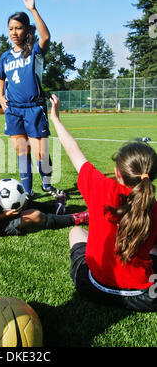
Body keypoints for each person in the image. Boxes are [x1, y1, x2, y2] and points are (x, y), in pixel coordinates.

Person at [49, 94, 157, 311]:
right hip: (145, 297)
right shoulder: (153, 207)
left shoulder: (101, 188)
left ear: (117, 172)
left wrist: (55, 118)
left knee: (76, 233)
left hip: (92, 286)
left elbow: (73, 150)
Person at [0, 0, 63, 200]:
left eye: (18, 28)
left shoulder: (34, 50)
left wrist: (33, 9)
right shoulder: (5, 57)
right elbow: (0, 78)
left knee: (40, 153)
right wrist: (0, 97)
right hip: (13, 110)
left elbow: (46, 36)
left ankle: (47, 184)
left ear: (26, 29)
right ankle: (28, 191)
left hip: (34, 108)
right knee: (21, 152)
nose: (14, 32)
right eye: (10, 29)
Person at [0, 131, 89, 238]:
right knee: (34, 215)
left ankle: (55, 207)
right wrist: (5, 215)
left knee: (20, 199)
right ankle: (76, 218)